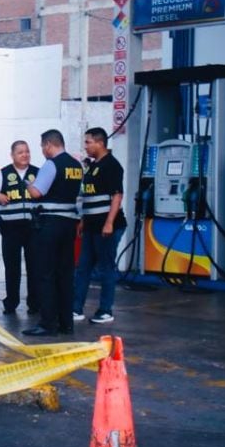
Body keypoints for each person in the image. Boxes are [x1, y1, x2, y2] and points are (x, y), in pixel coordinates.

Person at [22, 129, 82, 337]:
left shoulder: (51, 164)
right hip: (69, 225)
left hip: (49, 225)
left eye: (42, 147)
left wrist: (27, 184)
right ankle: (66, 323)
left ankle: (48, 324)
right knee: (65, 274)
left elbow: (38, 192)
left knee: (45, 274)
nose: (42, 151)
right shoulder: (76, 165)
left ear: (49, 144)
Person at [73, 127, 126, 324]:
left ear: (100, 143)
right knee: (83, 267)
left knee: (106, 268)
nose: (85, 146)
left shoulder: (111, 166)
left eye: (88, 142)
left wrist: (109, 223)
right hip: (91, 227)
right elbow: (90, 197)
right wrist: (83, 221)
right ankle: (76, 308)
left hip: (107, 227)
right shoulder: (94, 166)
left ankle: (105, 310)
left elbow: (117, 196)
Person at [0, 140, 40, 315]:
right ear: (12, 155)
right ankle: (11, 303)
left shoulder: (37, 173)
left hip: (33, 229)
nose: (25, 155)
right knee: (12, 267)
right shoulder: (4, 173)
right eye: (20, 152)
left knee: (34, 266)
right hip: (10, 229)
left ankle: (34, 303)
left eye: (27, 152)